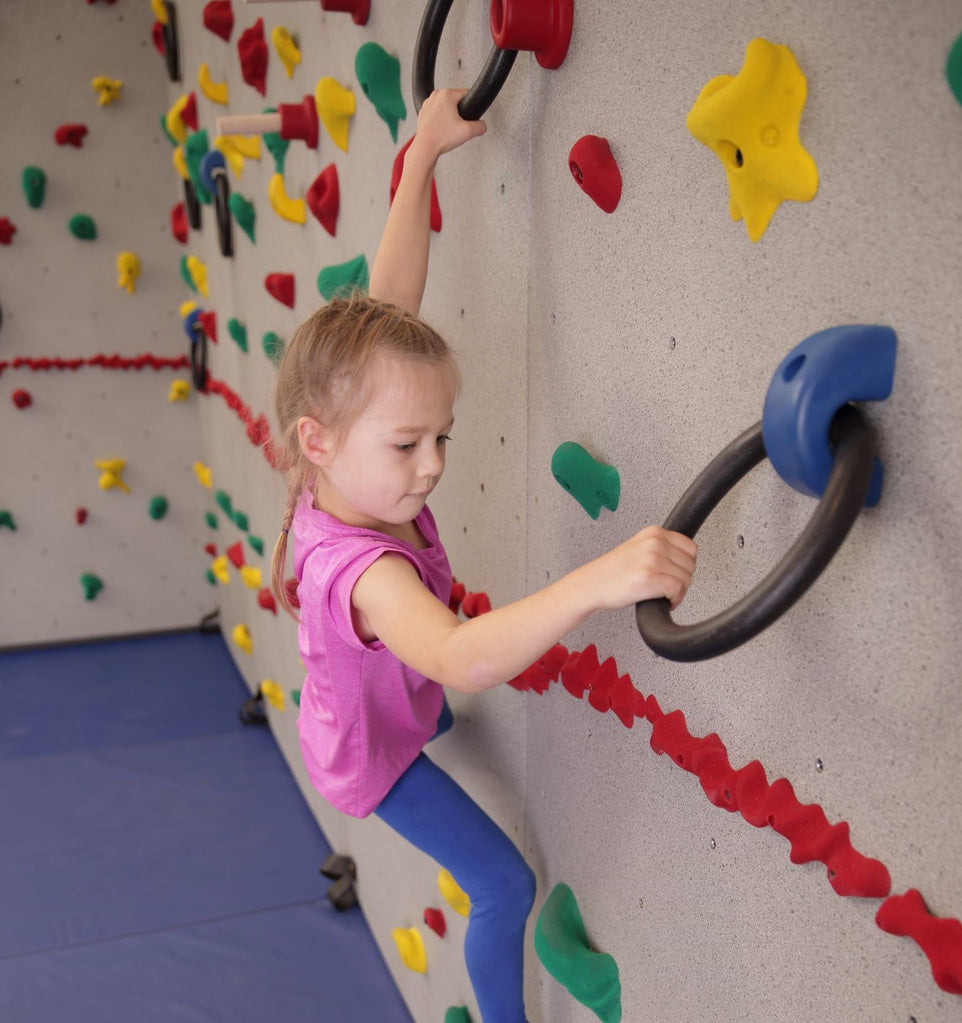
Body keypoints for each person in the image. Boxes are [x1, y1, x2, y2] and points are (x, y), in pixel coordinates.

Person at [271, 88, 698, 1023]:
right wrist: (600, 577)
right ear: (319, 440)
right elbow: (462, 655)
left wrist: (422, 152)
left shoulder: (341, 453)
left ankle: (406, 710)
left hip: (364, 693)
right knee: (505, 885)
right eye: (408, 444)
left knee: (417, 698)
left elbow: (390, 297)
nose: (432, 467)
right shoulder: (369, 574)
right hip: (363, 757)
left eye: (442, 437)